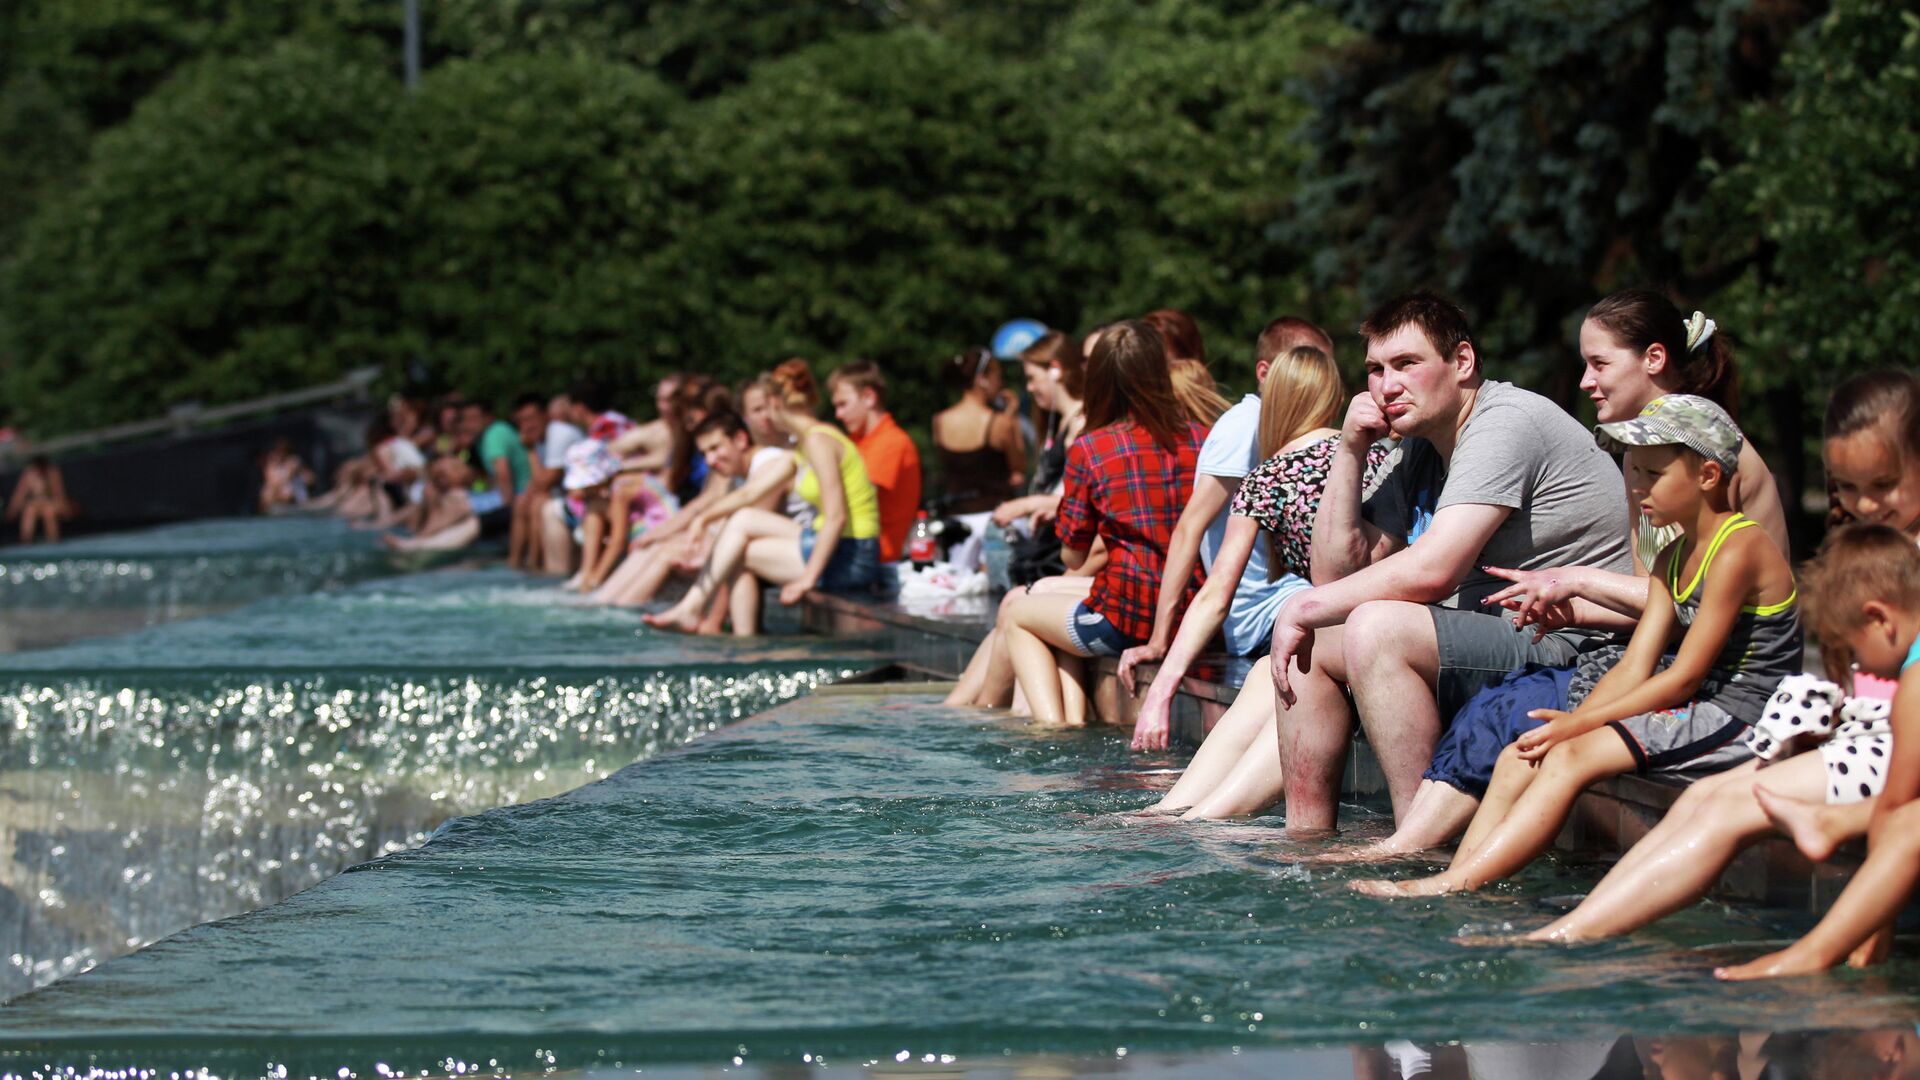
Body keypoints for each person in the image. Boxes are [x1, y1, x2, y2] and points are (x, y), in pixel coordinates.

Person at [1334, 291, 1794, 857]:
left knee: (1523, 720)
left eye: (1599, 363)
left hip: (1726, 681)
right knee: (1505, 720)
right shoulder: (1639, 460)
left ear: (1652, 360)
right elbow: (1660, 600)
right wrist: (1562, 602)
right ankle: (1439, 864)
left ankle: (1423, 858)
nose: (1584, 381)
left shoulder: (1715, 460)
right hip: (1659, 652)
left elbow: (1685, 612)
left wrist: (1577, 583)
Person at [1467, 372, 1920, 944]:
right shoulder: (1677, 554)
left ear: (1706, 476)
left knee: (1591, 761)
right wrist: (1572, 725)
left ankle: (1557, 928)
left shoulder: (1740, 546)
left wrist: (1579, 724)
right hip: (1835, 731)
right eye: (1848, 488)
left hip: (1743, 715)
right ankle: (1522, 906)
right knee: (1653, 784)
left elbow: (1685, 675)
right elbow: (1638, 663)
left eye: (1651, 474)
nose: (1636, 487)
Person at [1267, 291, 1632, 836]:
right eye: (1375, 369)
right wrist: (1349, 451)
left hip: (1579, 640)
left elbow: (1433, 570)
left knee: (1375, 628)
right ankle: (1307, 842)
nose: (1387, 386)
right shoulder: (1418, 447)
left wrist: (1304, 606)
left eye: (1407, 364)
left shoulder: (1504, 422)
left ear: (1462, 362)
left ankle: (1417, 843)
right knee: (1317, 642)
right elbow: (1335, 574)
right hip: (1507, 629)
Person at [1141, 346, 1395, 819]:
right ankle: (1187, 812)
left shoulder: (1266, 478)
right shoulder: (1381, 455)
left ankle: (1185, 812)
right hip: (1363, 620)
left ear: (1276, 399)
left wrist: (1161, 689)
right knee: (1270, 670)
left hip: (1345, 635)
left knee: (1285, 664)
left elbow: (1217, 593)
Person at [1712, 525, 1920, 980]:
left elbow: (1897, 806)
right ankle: (1833, 823)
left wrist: (1872, 935)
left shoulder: (1916, 682)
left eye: (1852, 650)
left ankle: (1811, 954)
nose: (1859, 668)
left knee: (1906, 821)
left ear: (1881, 619)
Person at [1119, 318, 1340, 744]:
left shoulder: (1286, 455)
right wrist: (1158, 640)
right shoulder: (1247, 427)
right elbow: (1190, 530)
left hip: (1286, 619)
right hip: (1271, 618)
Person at [1000, 320, 1204, 728]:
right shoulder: (1204, 437)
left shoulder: (1092, 448)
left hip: (1125, 618)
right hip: (1193, 610)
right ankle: (1070, 720)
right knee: (1053, 614)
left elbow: (1073, 554)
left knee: (1019, 615)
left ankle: (1052, 729)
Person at [644, 358, 881, 634]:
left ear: (776, 404)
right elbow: (751, 492)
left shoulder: (819, 441)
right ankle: (721, 627)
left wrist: (807, 579)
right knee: (742, 524)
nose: (765, 418)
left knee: (737, 552)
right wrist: (703, 519)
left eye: (764, 408)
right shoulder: (807, 442)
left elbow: (836, 517)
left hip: (852, 556)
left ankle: (722, 630)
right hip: (837, 546)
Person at [944, 330, 1092, 710]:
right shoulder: (1060, 423)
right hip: (1054, 556)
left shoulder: (1080, 426)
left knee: (1013, 609)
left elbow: (1080, 500)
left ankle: (969, 710)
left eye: (1032, 377)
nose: (1029, 388)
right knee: (1010, 614)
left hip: (1065, 559)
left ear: (1056, 370)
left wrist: (1027, 505)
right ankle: (961, 707)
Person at [589, 410, 792, 616]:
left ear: (740, 439)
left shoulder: (769, 463)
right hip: (765, 546)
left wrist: (698, 545)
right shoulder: (740, 473)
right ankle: (604, 603)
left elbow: (750, 523)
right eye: (704, 454)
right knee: (657, 546)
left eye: (715, 448)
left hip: (791, 550)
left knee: (668, 552)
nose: (711, 460)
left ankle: (620, 615)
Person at [933, 346, 1025, 570]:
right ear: (983, 379)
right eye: (997, 377)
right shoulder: (999, 423)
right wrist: (1012, 417)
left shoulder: (940, 421)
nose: (1000, 384)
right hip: (996, 519)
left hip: (958, 523)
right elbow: (1019, 469)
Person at [829, 360, 922, 566]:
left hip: (877, 559)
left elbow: (856, 498)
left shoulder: (891, 441)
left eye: (843, 404)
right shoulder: (857, 441)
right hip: (855, 549)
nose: (838, 414)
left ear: (869, 397)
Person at [509, 392, 583, 570]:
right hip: (563, 494)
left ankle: (535, 565)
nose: (527, 426)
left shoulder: (558, 433)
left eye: (531, 418)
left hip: (580, 497)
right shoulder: (543, 438)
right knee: (522, 502)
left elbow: (544, 483)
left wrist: (530, 450)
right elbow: (536, 483)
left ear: (545, 415)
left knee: (538, 503)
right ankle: (515, 564)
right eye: (522, 421)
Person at [458, 399, 531, 541]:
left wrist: (506, 512)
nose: (469, 424)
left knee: (456, 501)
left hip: (517, 496)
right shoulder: (484, 438)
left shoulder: (494, 434)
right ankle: (424, 539)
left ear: (488, 417)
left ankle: (427, 543)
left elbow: (503, 475)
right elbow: (491, 477)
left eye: (474, 418)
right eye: (466, 419)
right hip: (512, 494)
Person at [383, 455, 480, 551]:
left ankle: (417, 541)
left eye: (443, 475)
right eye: (436, 477)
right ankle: (417, 540)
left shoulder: (457, 496)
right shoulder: (434, 493)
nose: (440, 480)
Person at [6, 455, 77, 543]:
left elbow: (59, 493)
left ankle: (53, 541)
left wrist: (65, 509)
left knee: (49, 512)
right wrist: (12, 510)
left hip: (51, 502)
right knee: (29, 511)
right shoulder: (28, 474)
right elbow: (20, 494)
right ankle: (26, 541)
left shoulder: (52, 472)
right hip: (35, 503)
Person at [257, 438, 315, 514]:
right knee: (269, 490)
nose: (278, 454)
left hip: (291, 496)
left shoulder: (293, 462)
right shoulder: (272, 466)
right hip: (276, 496)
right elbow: (271, 482)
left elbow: (311, 478)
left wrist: (293, 474)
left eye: (282, 450)